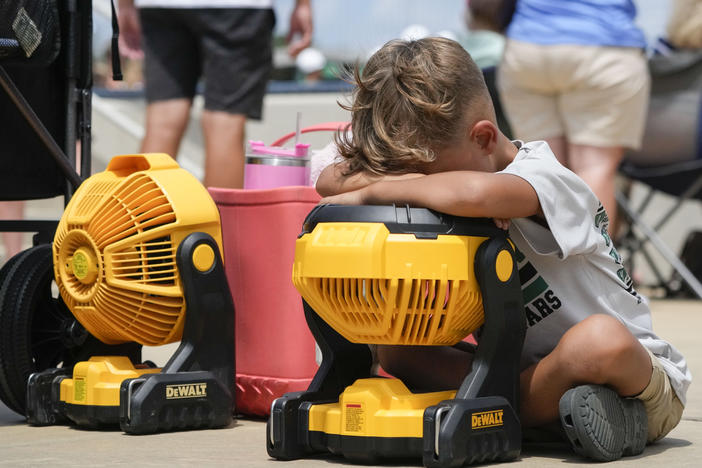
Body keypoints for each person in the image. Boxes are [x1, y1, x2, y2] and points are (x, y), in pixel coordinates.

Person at [316, 37, 690, 462]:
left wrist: (374, 193)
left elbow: (474, 192)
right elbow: (330, 178)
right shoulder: (463, 166)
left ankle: (517, 415)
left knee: (598, 341)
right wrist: (405, 182)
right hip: (515, 370)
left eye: (429, 179)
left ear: (484, 139)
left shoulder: (545, 178)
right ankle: (551, 416)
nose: (423, 192)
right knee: (399, 351)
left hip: (639, 379)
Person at [117, 0, 313, 189]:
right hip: (238, 8)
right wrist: (303, 5)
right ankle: (221, 222)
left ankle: (144, 221)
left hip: (161, 6)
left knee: (162, 119)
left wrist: (125, 6)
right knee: (225, 122)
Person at [496, 0, 650, 235]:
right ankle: (591, 267)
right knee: (592, 167)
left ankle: (547, 269)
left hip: (528, 45)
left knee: (543, 170)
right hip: (602, 43)